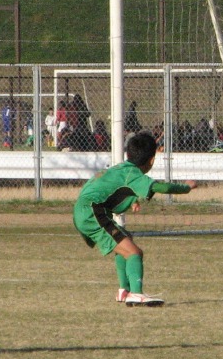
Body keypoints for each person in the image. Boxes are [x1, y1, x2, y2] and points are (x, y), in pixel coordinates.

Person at [72, 130, 196, 307]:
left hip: (83, 209)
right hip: (93, 212)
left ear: (128, 154)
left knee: (125, 240)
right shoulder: (134, 174)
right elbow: (162, 187)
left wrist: (131, 200)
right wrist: (186, 187)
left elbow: (107, 187)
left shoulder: (121, 168)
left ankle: (124, 290)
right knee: (134, 252)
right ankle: (136, 294)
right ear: (151, 160)